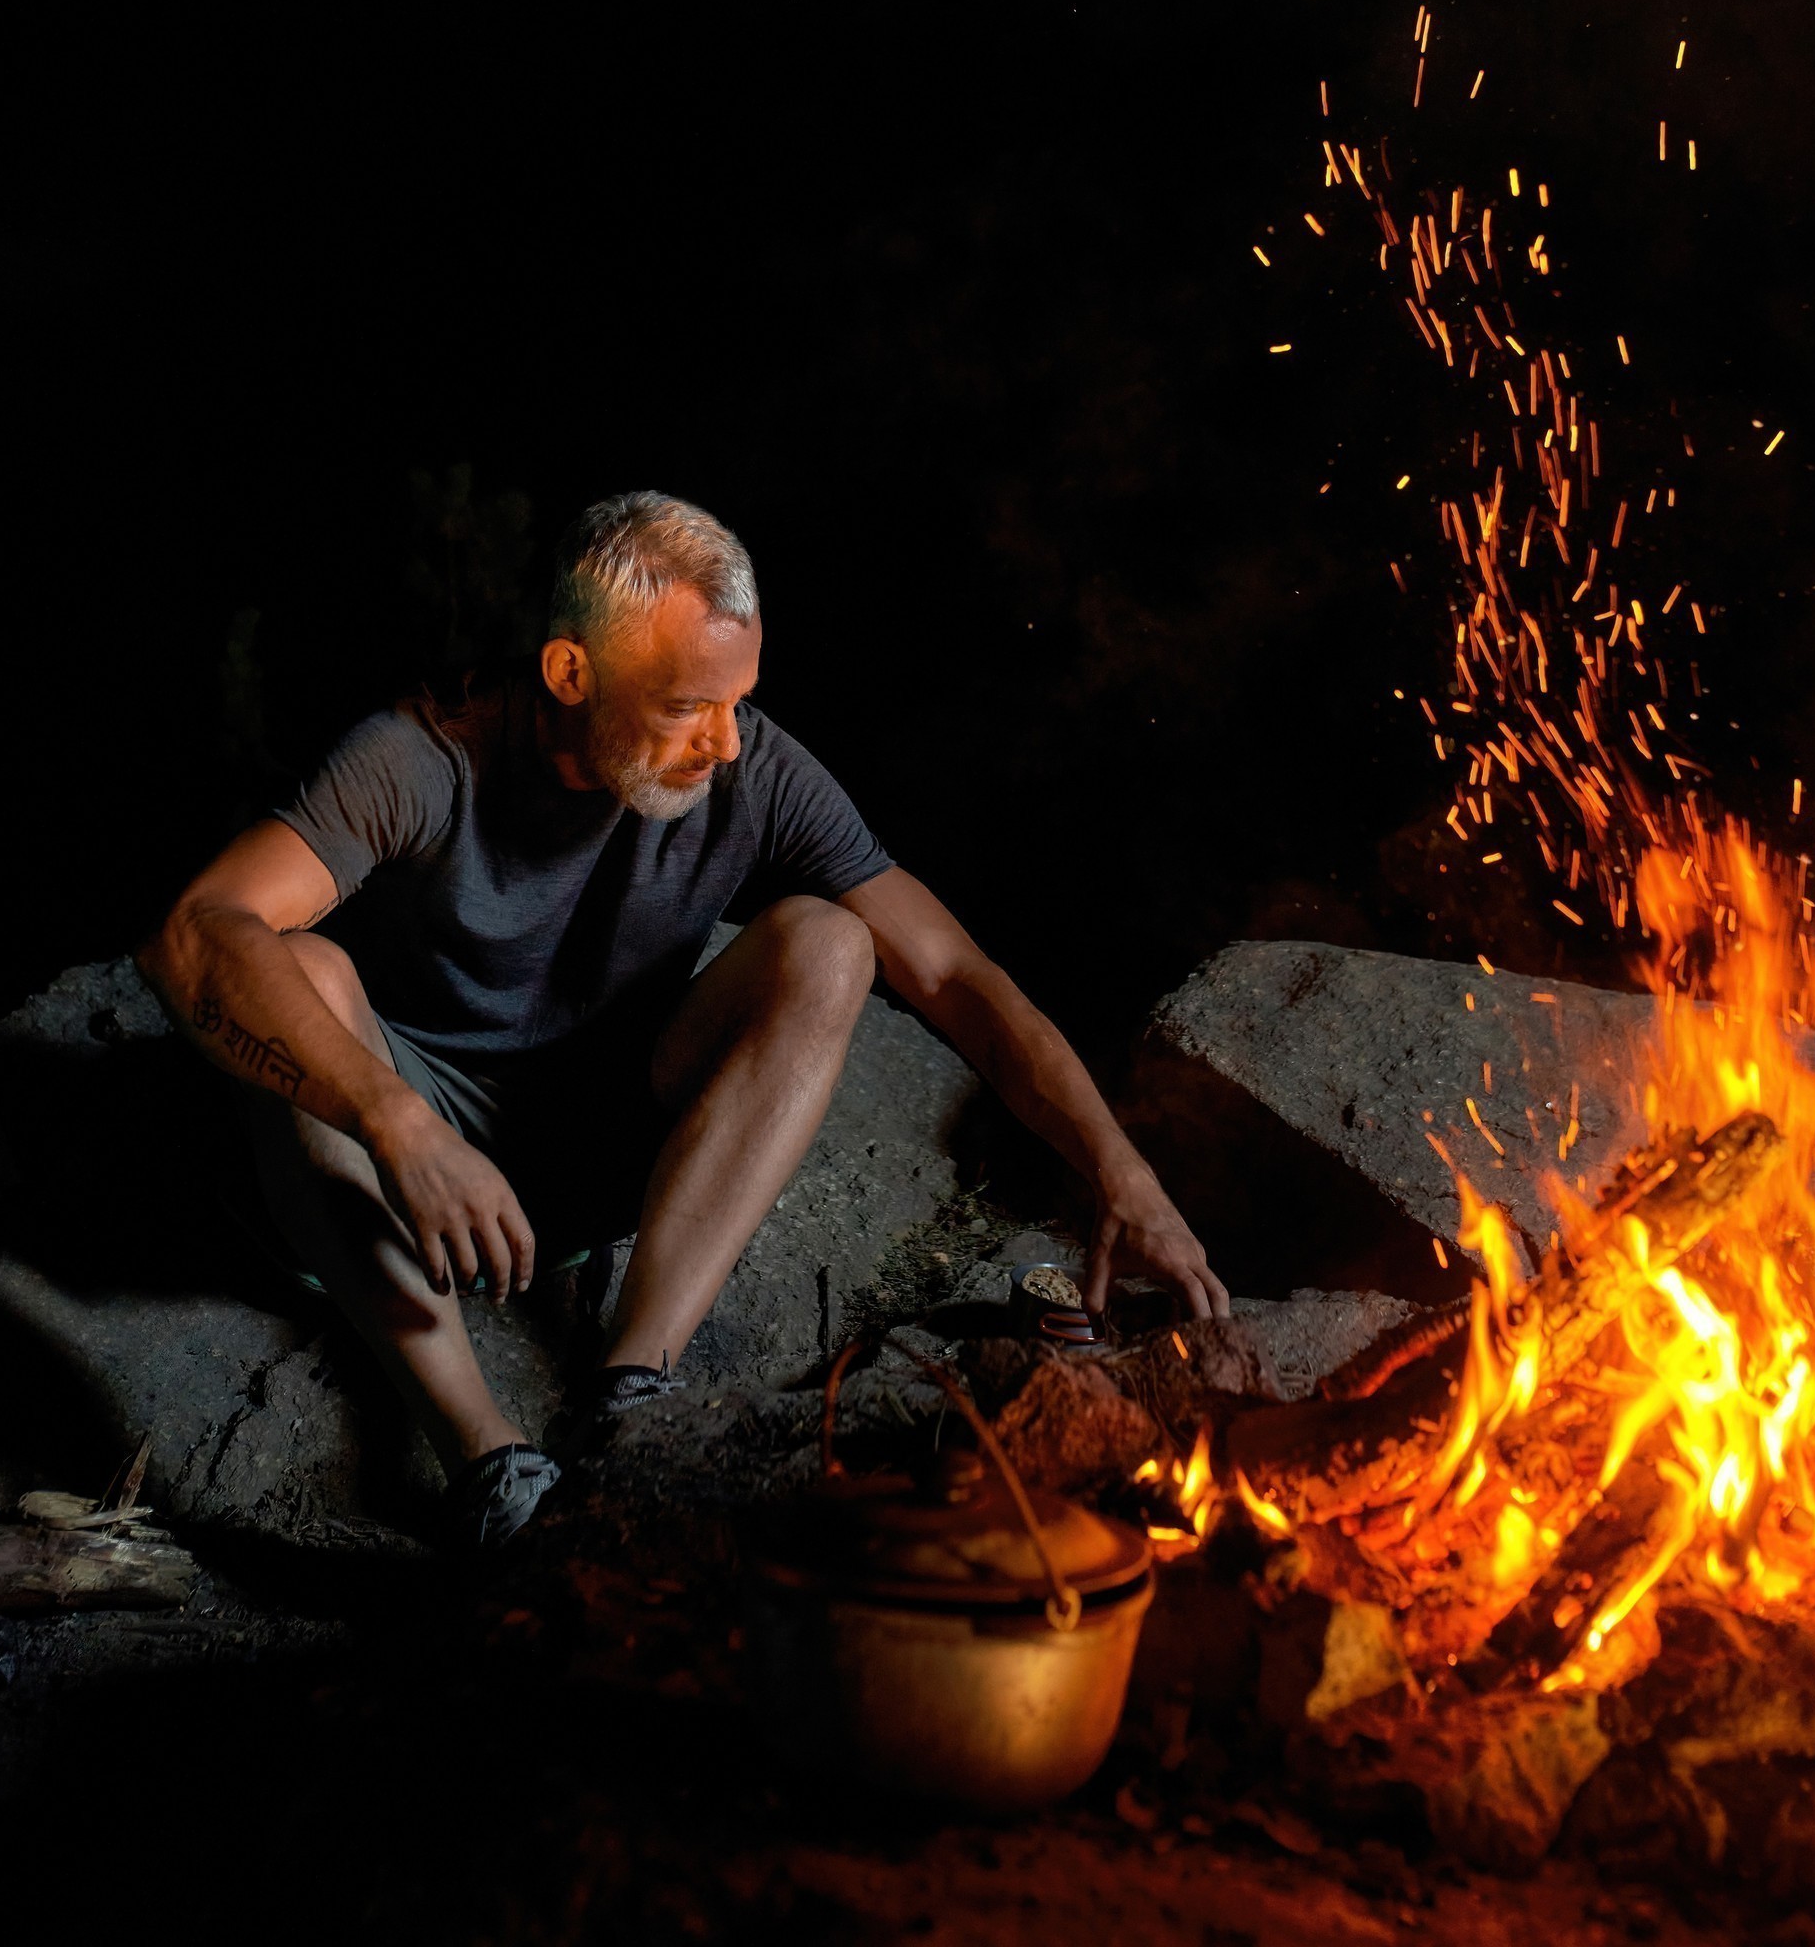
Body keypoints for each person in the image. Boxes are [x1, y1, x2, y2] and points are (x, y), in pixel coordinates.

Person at [138, 493, 1224, 1546]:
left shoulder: (749, 765)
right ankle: (486, 1454)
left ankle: (630, 1387)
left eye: (737, 701)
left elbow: (953, 973)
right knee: (302, 965)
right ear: (572, 670)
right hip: (400, 1172)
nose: (726, 744)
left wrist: (1115, 1172)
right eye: (684, 707)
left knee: (828, 939)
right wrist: (396, 1123)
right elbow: (193, 932)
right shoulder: (425, 754)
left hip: (609, 1136)